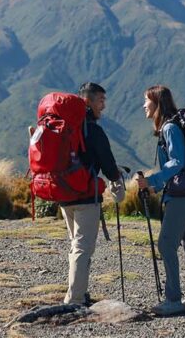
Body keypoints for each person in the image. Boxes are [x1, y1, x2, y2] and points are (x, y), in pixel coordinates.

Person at [136, 84, 185, 316]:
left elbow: (177, 162)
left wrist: (152, 180)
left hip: (182, 196)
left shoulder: (169, 128)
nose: (143, 105)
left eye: (146, 101)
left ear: (156, 103)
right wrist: (157, 187)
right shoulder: (175, 125)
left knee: (166, 244)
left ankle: (173, 299)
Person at [60, 81, 125, 306]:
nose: (103, 106)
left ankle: (79, 292)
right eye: (100, 100)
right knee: (82, 248)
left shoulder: (65, 127)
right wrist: (117, 180)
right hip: (86, 196)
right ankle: (75, 299)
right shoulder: (93, 131)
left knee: (76, 245)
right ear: (87, 101)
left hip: (63, 195)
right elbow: (108, 165)